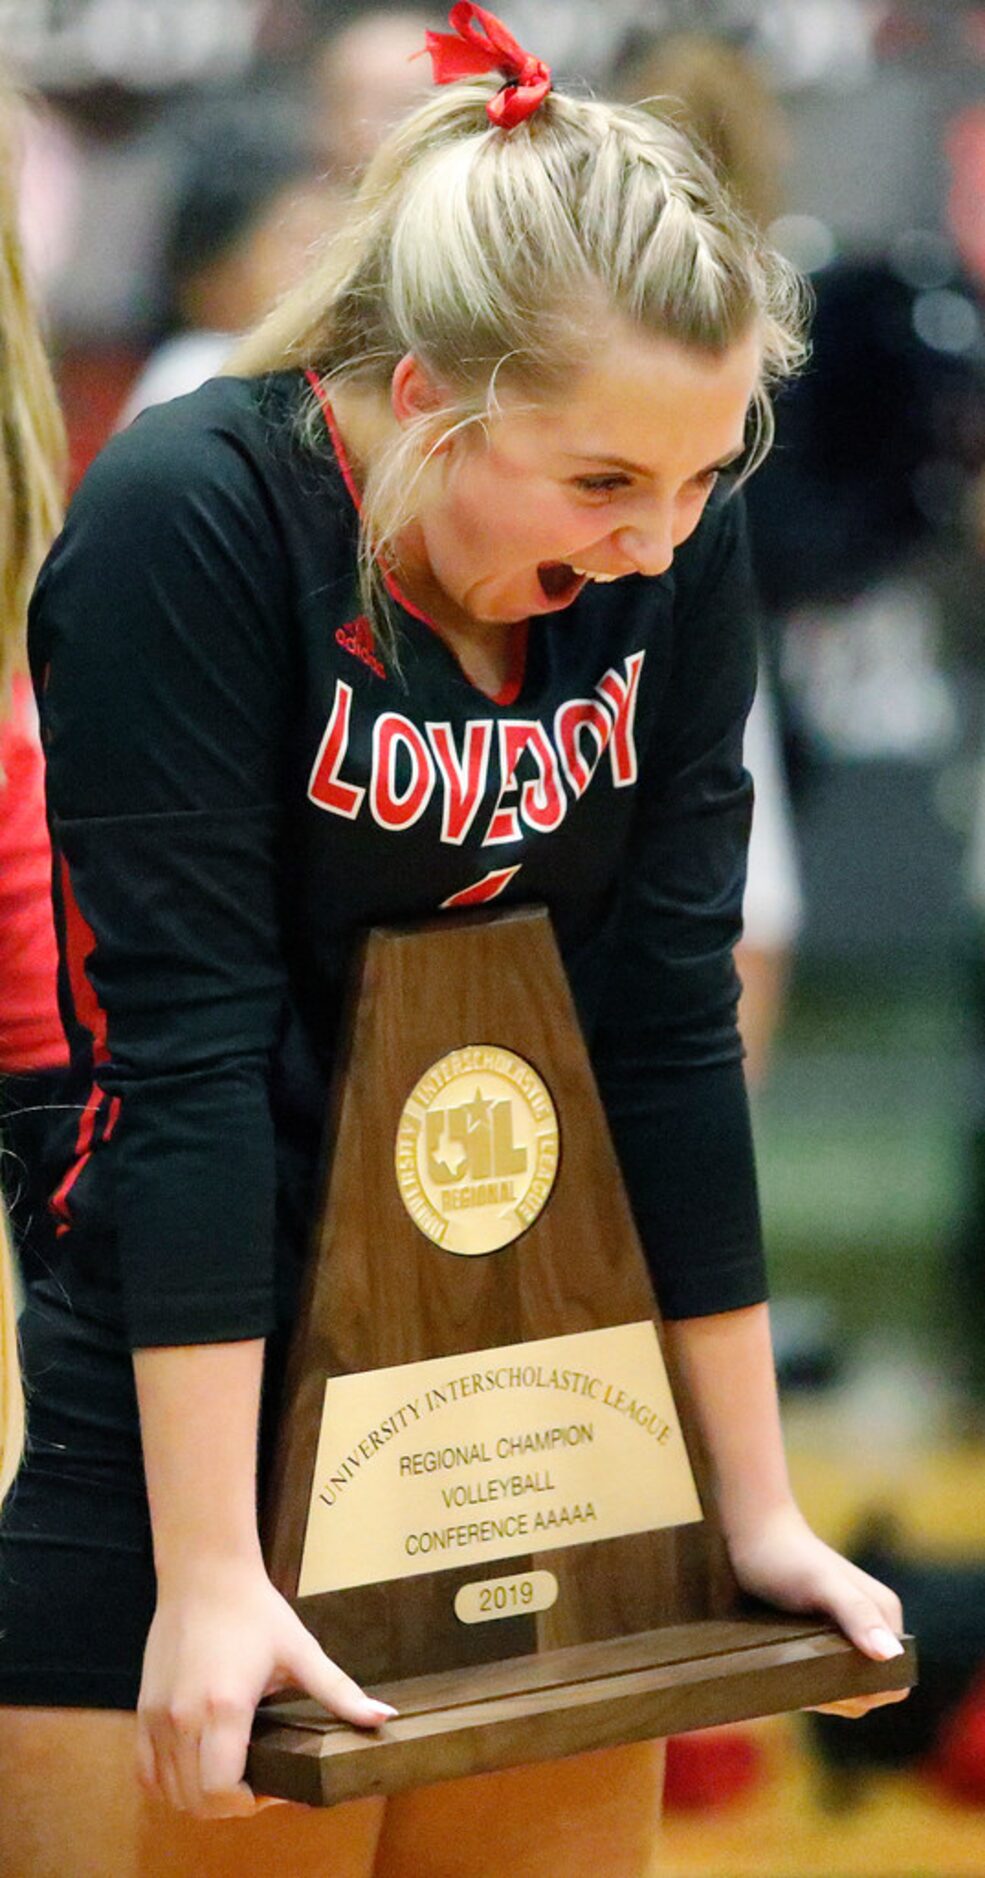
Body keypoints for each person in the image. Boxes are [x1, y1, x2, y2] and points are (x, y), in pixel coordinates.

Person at [0, 10, 909, 1876]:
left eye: (698, 476)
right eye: (597, 489)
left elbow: (663, 1018)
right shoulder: (193, 518)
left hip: (524, 1386)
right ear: (423, 397)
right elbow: (181, 1063)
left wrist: (751, 1503)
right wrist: (212, 1573)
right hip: (195, 1386)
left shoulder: (675, 526)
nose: (657, 541)